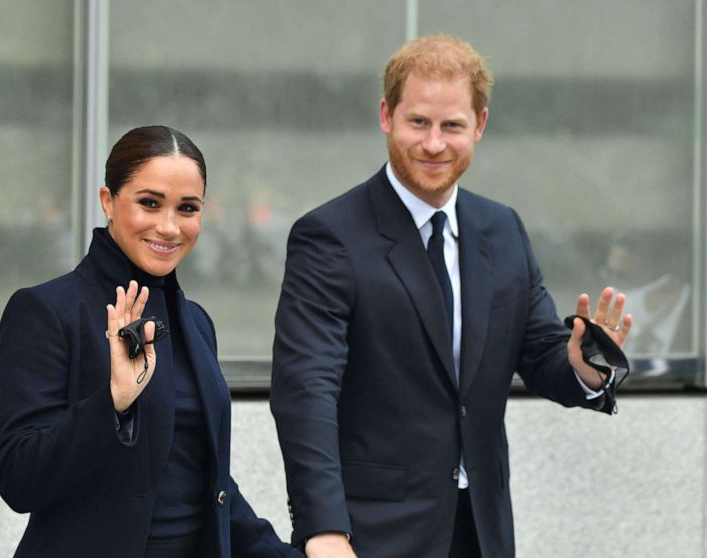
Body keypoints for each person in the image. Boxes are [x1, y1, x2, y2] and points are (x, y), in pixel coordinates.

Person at [269, 35, 633, 558]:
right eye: (418, 122)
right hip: (372, 535)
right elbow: (305, 392)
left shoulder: (503, 230)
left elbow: (542, 354)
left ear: (479, 125)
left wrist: (585, 365)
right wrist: (323, 527)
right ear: (386, 116)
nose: (434, 143)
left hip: (482, 532)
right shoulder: (329, 236)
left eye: (452, 126)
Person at [0, 125, 300, 558]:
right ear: (108, 201)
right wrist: (113, 402)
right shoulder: (47, 311)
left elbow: (208, 486)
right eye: (150, 203)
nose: (169, 226)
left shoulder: (196, 323)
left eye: (187, 208)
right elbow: (18, 480)